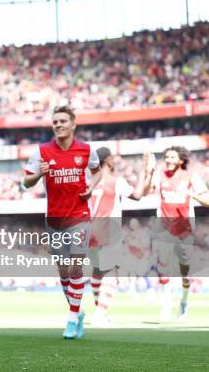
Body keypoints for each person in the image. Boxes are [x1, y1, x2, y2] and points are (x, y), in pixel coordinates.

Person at [23, 106, 101, 339]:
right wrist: (39, 175)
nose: (58, 124)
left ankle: (70, 319)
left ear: (73, 125)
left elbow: (97, 172)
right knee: (64, 273)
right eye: (55, 121)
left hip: (79, 216)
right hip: (54, 219)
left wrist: (91, 187)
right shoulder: (42, 152)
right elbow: (26, 182)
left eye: (63, 121)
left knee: (76, 267)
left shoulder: (87, 150)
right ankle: (78, 312)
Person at [143, 146, 209, 321]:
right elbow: (146, 191)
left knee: (184, 271)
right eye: (166, 157)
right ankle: (166, 306)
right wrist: (148, 172)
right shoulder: (159, 174)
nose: (168, 160)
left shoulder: (191, 177)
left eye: (172, 157)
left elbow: (207, 201)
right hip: (164, 229)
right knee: (164, 267)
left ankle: (184, 301)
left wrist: (192, 194)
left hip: (185, 230)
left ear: (181, 160)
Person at [87, 148, 149, 326]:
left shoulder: (89, 182)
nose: (115, 161)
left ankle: (100, 311)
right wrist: (145, 171)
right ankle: (99, 314)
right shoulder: (115, 181)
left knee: (98, 272)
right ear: (107, 161)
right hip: (109, 229)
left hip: (90, 230)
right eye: (113, 158)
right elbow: (137, 195)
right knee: (113, 273)